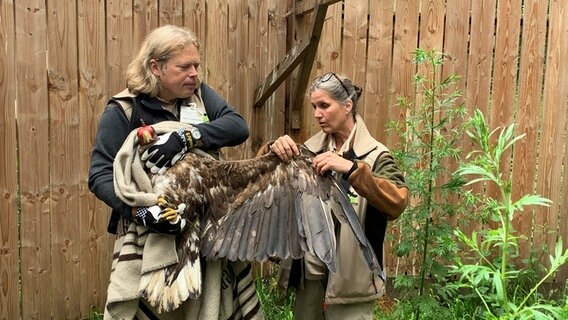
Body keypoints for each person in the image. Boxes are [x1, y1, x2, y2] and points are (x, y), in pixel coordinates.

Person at [88, 25, 261, 319]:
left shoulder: (200, 96)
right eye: (185, 67)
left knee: (211, 306)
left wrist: (187, 137)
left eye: (197, 65)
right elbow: (99, 175)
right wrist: (138, 212)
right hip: (148, 239)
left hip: (204, 232)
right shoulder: (124, 110)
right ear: (156, 67)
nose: (194, 73)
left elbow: (238, 126)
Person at [264, 72, 409, 319]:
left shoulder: (376, 156)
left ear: (347, 106)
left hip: (352, 282)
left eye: (324, 105)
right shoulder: (308, 152)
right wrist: (272, 150)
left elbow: (396, 203)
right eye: (314, 107)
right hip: (309, 275)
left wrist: (352, 169)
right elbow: (267, 187)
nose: (317, 114)